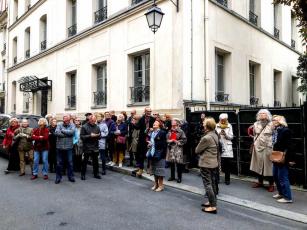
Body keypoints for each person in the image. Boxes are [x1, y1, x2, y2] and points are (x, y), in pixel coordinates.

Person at [195, 117, 219, 214]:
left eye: (204, 124)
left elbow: (197, 150)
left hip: (206, 163)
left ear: (207, 126)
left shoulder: (206, 137)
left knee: (208, 184)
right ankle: (212, 201)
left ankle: (213, 207)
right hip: (213, 163)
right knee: (212, 183)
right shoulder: (215, 135)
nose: (203, 126)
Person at [250, 109, 275, 192]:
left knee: (268, 167)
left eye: (264, 113)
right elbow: (254, 134)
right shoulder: (255, 124)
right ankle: (260, 182)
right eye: (260, 114)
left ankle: (271, 184)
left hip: (268, 148)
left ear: (267, 115)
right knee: (257, 165)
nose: (262, 115)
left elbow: (275, 136)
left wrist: (272, 145)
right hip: (257, 147)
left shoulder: (272, 124)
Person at [272, 115, 294, 203]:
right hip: (276, 155)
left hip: (283, 157)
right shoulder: (275, 131)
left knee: (282, 177)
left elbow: (290, 146)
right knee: (275, 176)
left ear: (281, 121)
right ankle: (281, 193)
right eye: (273, 120)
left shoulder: (285, 131)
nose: (274, 121)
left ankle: (288, 197)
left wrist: (291, 159)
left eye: (276, 120)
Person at [55, 114, 76, 184]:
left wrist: (63, 131)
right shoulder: (59, 124)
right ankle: (58, 177)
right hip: (59, 147)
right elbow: (57, 133)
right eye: (64, 119)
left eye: (67, 120)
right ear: (63, 119)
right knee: (59, 163)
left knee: (70, 163)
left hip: (69, 147)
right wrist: (67, 134)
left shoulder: (72, 125)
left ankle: (71, 177)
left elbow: (72, 132)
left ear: (69, 119)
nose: (66, 121)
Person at [147, 121, 167, 192]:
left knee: (160, 170)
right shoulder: (152, 133)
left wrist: (153, 144)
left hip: (160, 154)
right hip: (153, 153)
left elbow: (164, 145)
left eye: (156, 122)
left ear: (159, 125)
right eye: (153, 123)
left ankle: (161, 185)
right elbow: (152, 142)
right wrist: (150, 144)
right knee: (154, 169)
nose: (154, 123)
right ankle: (156, 184)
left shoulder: (162, 132)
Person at [135, 107, 155, 177]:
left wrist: (153, 129)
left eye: (150, 111)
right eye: (148, 111)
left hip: (151, 138)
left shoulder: (153, 119)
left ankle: (149, 168)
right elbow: (137, 127)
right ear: (145, 111)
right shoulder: (142, 118)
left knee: (150, 154)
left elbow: (157, 127)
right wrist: (135, 123)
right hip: (142, 139)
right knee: (141, 155)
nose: (149, 112)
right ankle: (141, 168)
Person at [80, 115, 101, 180]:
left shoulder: (97, 127)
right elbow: (82, 137)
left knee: (95, 162)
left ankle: (96, 174)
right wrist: (90, 136)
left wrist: (97, 136)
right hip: (87, 147)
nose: (93, 122)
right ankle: (83, 175)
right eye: (92, 121)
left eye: (94, 121)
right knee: (85, 162)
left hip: (95, 147)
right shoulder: (84, 127)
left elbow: (100, 136)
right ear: (89, 120)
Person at [166, 119, 187, 183]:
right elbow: (167, 139)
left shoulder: (181, 131)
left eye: (174, 125)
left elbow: (184, 140)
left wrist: (177, 141)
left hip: (178, 149)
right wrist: (169, 141)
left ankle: (179, 177)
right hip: (171, 149)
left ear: (177, 125)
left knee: (179, 164)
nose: (173, 126)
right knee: (171, 163)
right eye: (172, 125)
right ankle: (172, 176)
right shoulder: (170, 131)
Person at [215, 113, 234, 185]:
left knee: (227, 164)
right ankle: (217, 178)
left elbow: (231, 137)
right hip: (219, 146)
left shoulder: (229, 125)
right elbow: (214, 136)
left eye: (224, 120)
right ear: (219, 119)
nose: (223, 121)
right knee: (218, 164)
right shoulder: (216, 125)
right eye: (221, 120)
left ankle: (227, 179)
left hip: (227, 147)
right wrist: (219, 134)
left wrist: (225, 135)